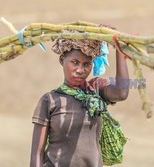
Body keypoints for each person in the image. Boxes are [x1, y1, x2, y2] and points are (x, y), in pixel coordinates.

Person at [30, 29, 129, 167]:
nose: (80, 70)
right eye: (75, 62)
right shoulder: (50, 100)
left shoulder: (94, 89)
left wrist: (118, 45)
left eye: (86, 64)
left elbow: (121, 93)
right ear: (62, 60)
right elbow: (37, 153)